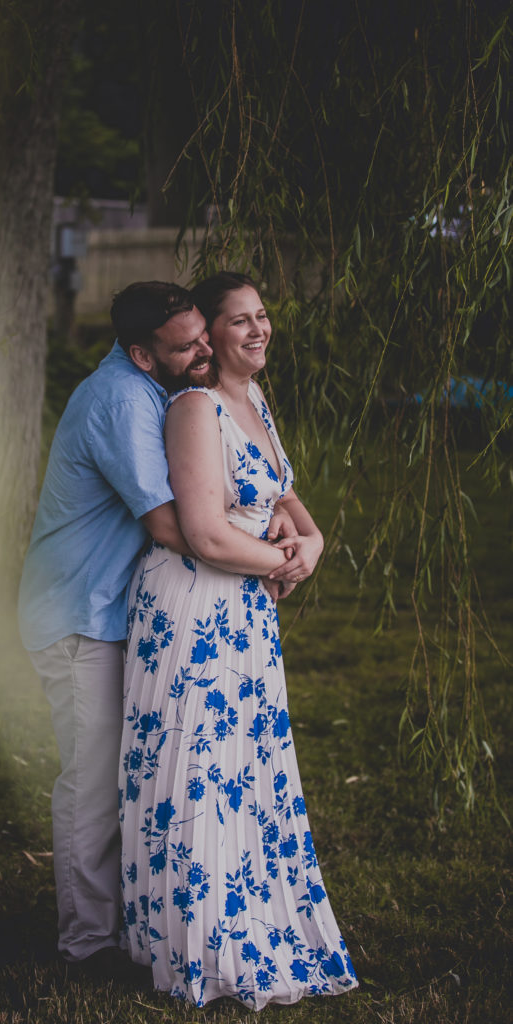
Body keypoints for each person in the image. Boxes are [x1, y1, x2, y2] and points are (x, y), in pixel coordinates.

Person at [17, 280, 296, 979]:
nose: (204, 349)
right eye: (187, 345)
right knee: (91, 781)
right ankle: (87, 945)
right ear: (143, 354)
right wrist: (269, 556)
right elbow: (175, 526)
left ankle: (135, 925)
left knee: (130, 776)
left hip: (120, 610)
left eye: (205, 334)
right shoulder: (120, 400)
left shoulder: (163, 390)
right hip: (83, 613)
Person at [119, 272, 358, 1008]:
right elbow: (202, 532)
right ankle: (199, 943)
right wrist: (281, 561)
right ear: (210, 339)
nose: (259, 330)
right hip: (195, 610)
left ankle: (248, 914)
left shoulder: (250, 400)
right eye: (239, 321)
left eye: (263, 316)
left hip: (244, 609)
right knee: (199, 774)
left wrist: (310, 540)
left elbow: (281, 496)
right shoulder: (194, 408)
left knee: (244, 771)